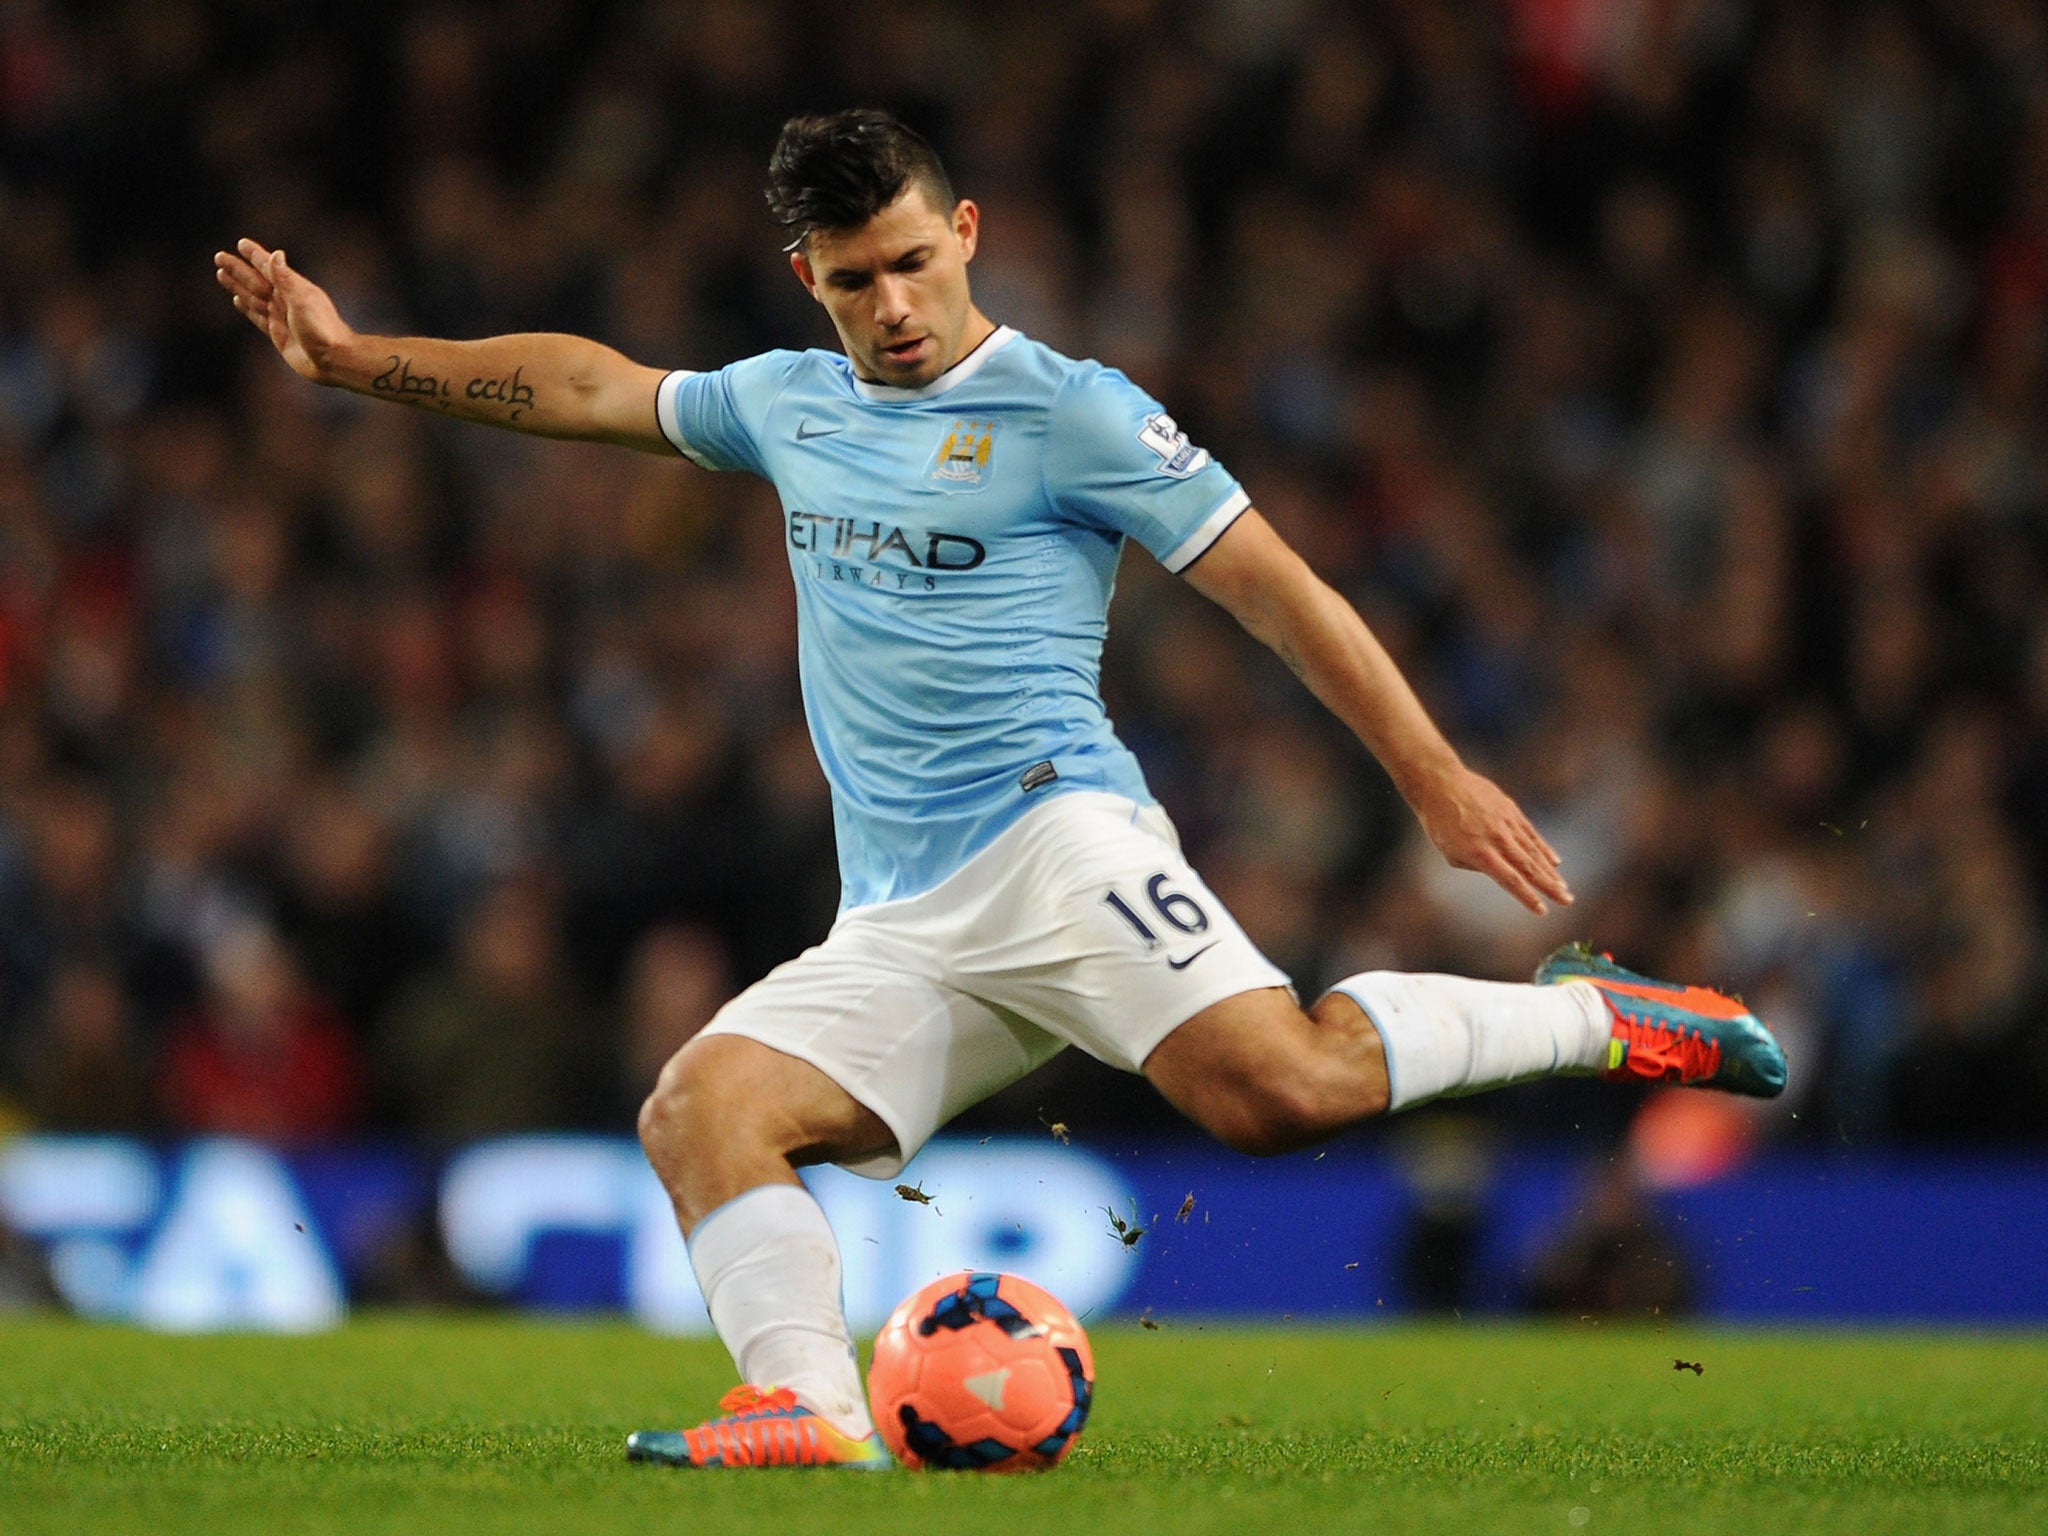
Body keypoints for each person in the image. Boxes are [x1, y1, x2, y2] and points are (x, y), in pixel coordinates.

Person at [215, 108, 1785, 1470]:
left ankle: (1602, 1015)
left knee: (1280, 1096)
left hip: (1056, 837)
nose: (892, 307)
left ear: (965, 234)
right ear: (806, 281)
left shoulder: (1071, 409)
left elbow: (1280, 589)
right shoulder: (788, 403)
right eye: (853, 280)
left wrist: (1434, 777)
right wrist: (354, 361)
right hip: (899, 910)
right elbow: (584, 387)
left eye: (913, 261)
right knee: (700, 1111)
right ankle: (806, 1407)